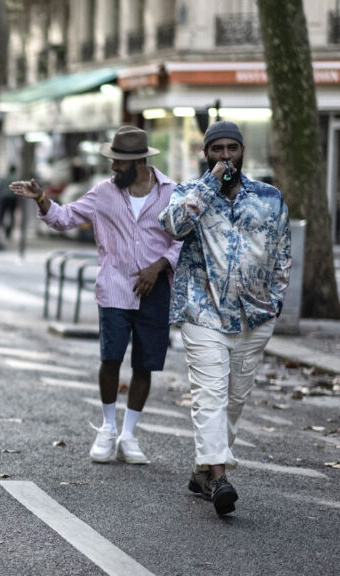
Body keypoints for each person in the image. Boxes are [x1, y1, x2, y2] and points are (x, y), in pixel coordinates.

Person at [10, 126, 182, 466]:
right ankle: (107, 428)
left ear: (140, 161)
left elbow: (182, 238)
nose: (114, 168)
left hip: (155, 290)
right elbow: (64, 218)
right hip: (114, 287)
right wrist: (41, 199)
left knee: (145, 364)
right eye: (113, 161)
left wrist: (159, 266)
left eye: (120, 162)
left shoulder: (171, 193)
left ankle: (129, 435)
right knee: (110, 359)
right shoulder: (103, 193)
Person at [159, 121, 291, 515]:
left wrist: (275, 302)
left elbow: (283, 253)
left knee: (235, 398)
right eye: (217, 150)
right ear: (206, 154)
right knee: (210, 395)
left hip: (255, 315)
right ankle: (219, 477)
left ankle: (202, 470)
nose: (226, 156)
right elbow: (173, 226)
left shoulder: (269, 197)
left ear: (243, 151)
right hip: (202, 311)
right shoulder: (190, 193)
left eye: (232, 148)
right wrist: (209, 185)